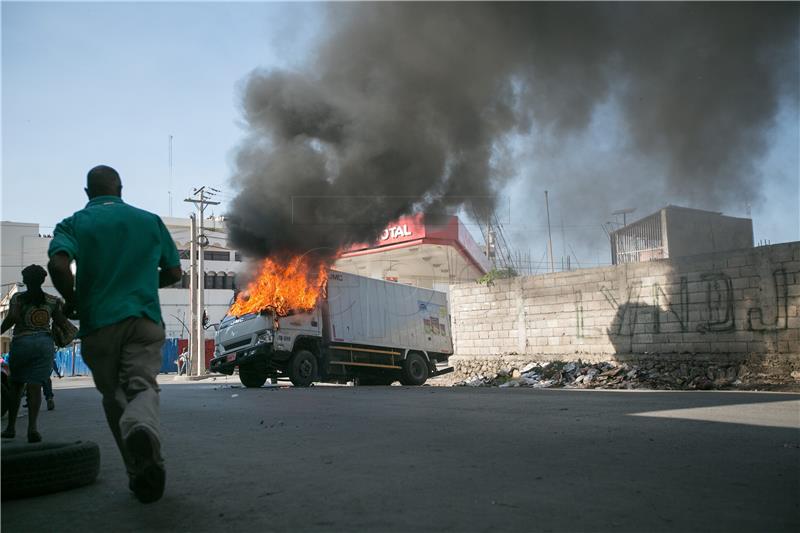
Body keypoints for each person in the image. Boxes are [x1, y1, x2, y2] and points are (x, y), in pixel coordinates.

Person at [48, 165, 181, 504]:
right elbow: (174, 272)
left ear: (88, 193)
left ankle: (138, 471)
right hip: (143, 320)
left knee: (114, 398)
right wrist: (143, 284)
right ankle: (142, 436)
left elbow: (59, 266)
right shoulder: (149, 220)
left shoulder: (74, 223)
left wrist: (74, 299)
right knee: (143, 386)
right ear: (121, 189)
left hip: (99, 325)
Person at [1, 265, 66, 442]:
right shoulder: (53, 301)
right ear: (43, 280)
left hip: (22, 342)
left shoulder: (18, 298)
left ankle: (11, 428)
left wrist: (1, 329)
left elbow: (12, 318)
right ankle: (32, 429)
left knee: (16, 385)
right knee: (35, 386)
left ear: (26, 280)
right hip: (44, 345)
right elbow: (61, 321)